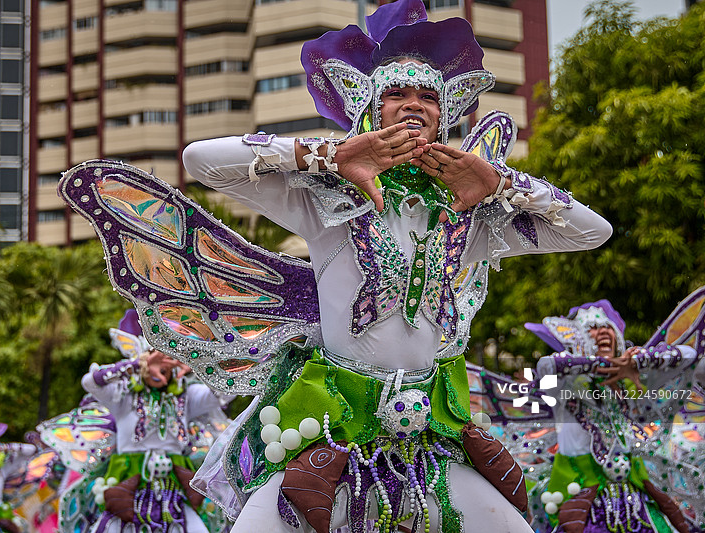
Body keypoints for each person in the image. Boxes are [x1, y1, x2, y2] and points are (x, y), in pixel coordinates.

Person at [180, 1, 612, 532]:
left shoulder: (469, 215)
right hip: (327, 431)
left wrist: (500, 185)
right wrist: (328, 157)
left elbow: (593, 232)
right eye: (396, 94)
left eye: (429, 97)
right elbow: (199, 160)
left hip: (429, 439)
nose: (414, 105)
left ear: (445, 114)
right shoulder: (326, 200)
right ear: (370, 109)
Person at [527, 300, 703, 533]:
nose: (601, 332)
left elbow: (689, 355)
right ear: (578, 338)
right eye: (592, 328)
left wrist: (640, 361)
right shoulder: (566, 382)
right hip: (582, 494)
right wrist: (606, 365)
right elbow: (546, 366)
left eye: (606, 327)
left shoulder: (631, 381)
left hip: (634, 492)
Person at [80, 339, 226, 533]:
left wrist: (197, 363)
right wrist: (136, 365)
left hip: (173, 487)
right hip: (128, 483)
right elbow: (89, 382)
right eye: (154, 359)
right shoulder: (122, 395)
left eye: (167, 359)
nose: (160, 366)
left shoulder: (186, 395)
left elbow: (225, 391)